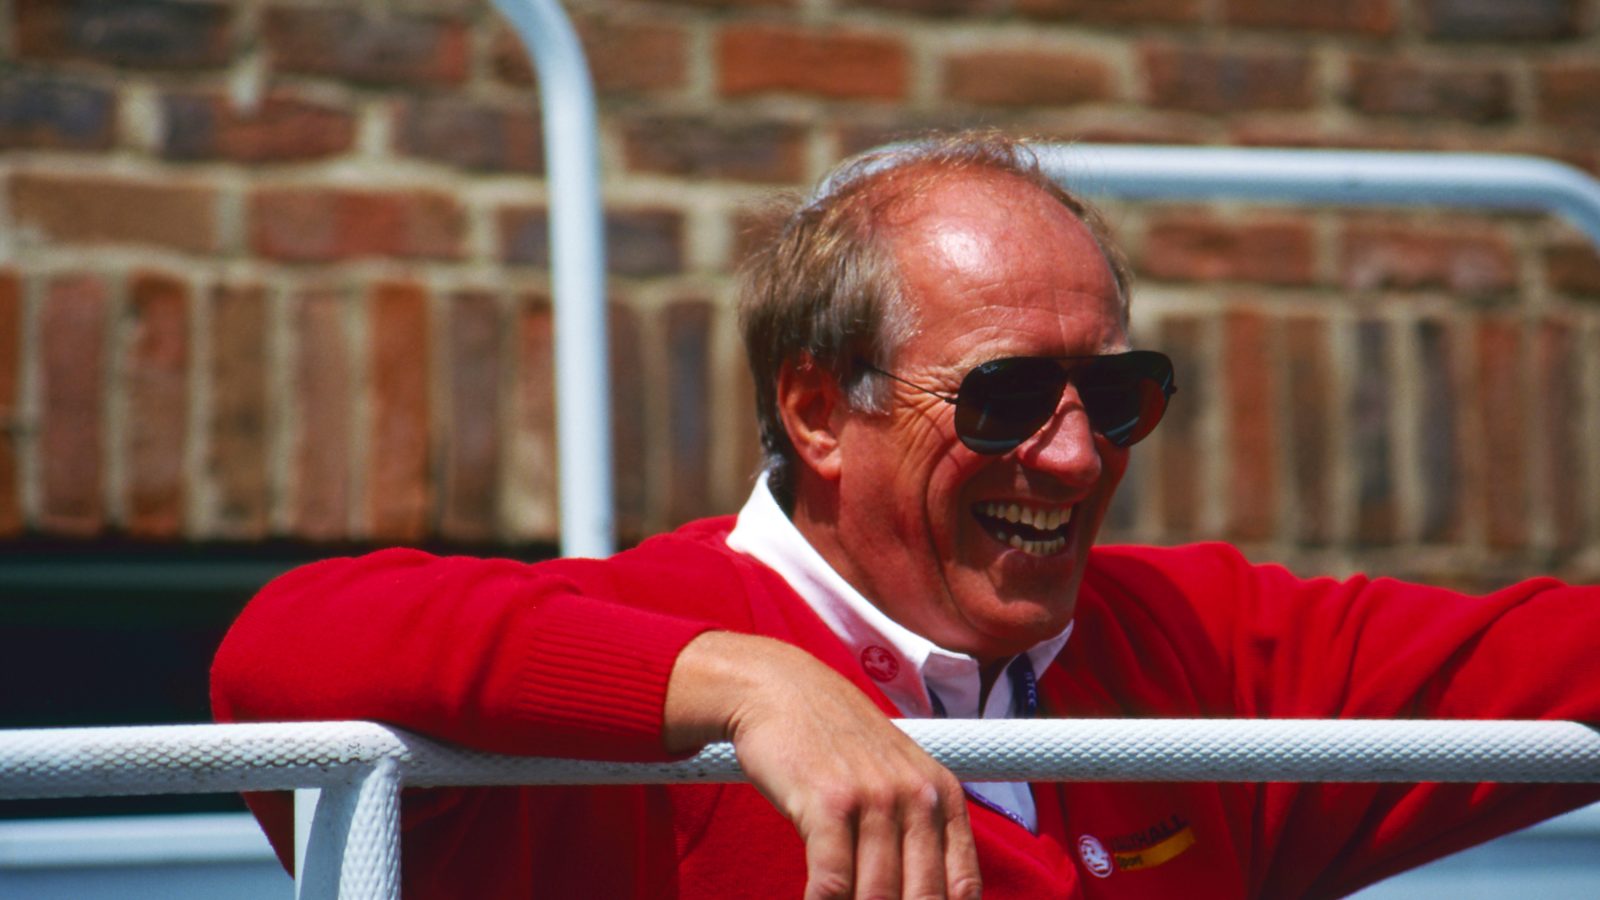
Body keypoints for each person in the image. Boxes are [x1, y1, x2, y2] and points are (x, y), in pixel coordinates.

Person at [212, 133, 1600, 899]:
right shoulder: (653, 645)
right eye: (1003, 398)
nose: (1075, 456)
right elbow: (282, 649)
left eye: (1117, 393)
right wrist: (757, 690)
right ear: (818, 412)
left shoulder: (1195, 641)